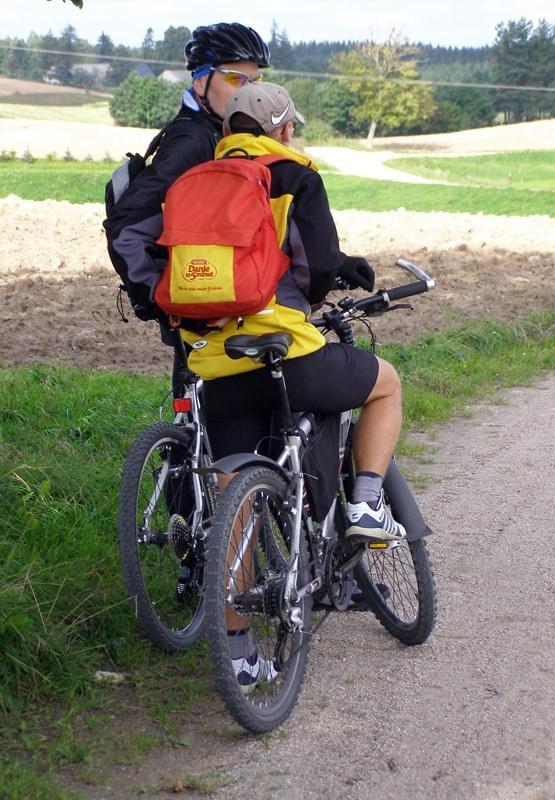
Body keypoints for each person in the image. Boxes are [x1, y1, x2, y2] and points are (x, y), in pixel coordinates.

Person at [180, 82, 406, 544]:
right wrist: (323, 288)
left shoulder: (194, 181)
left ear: (226, 129)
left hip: (214, 362)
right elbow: (317, 264)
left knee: (234, 514)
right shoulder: (295, 174)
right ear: (283, 130)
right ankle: (365, 504)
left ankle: (232, 619)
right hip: (286, 353)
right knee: (386, 385)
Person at [103, 22, 271, 321]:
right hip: (202, 302)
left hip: (226, 291)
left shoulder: (223, 134)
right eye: (236, 79)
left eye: (255, 81)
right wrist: (155, 296)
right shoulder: (191, 141)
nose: (250, 92)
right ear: (200, 82)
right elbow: (125, 227)